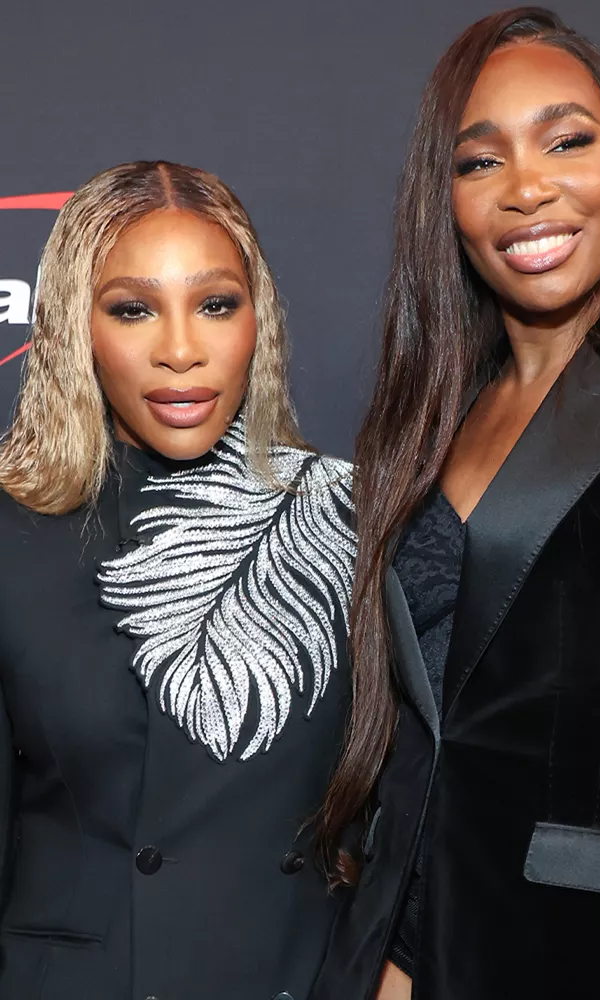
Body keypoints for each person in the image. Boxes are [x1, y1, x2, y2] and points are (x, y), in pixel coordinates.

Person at [309, 8, 600, 1000]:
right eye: (479, 161)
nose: (528, 188)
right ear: (447, 200)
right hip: (392, 950)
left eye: (566, 140)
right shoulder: (428, 422)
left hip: (591, 960)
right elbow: (420, 742)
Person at [0, 161, 355, 999]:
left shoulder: (348, 515)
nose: (181, 350)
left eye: (215, 304)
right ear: (73, 329)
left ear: (257, 319)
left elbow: (407, 818)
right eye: (133, 309)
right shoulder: (11, 532)